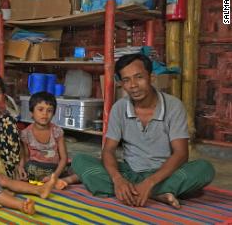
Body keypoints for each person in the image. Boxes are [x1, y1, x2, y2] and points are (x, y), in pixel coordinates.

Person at [72, 53, 215, 209]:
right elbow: (108, 151)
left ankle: (140, 190)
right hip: (130, 171)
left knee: (204, 169)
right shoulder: (119, 108)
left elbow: (181, 154)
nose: (133, 85)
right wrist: (118, 179)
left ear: (151, 77)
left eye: (139, 77)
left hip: (163, 174)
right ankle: (156, 194)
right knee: (79, 160)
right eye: (126, 80)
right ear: (121, 84)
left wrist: (150, 182)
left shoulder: (174, 106)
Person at [18, 92, 77, 189]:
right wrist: (21, 167)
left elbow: (64, 158)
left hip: (54, 169)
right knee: (29, 167)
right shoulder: (26, 134)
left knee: (78, 170)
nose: (45, 113)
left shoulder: (57, 131)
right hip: (35, 169)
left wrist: (54, 176)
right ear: (31, 113)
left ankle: (55, 180)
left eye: (49, 110)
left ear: (53, 114)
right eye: (40, 109)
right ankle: (49, 182)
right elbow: (25, 157)